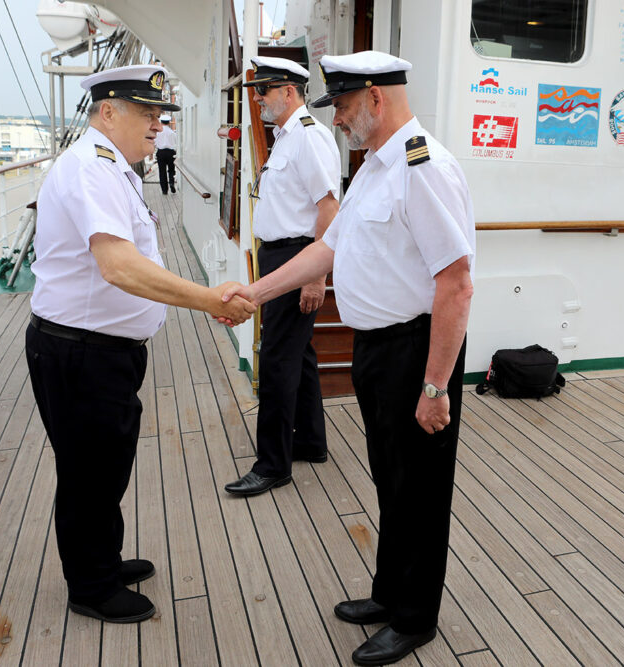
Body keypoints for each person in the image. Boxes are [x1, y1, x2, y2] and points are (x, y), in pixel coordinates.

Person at [222, 51, 475, 665]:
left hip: (416, 353)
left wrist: (435, 387)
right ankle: (390, 594)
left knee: (420, 489)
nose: (335, 118)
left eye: (341, 104)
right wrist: (254, 294)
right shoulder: (372, 170)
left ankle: (414, 619)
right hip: (377, 350)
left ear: (375, 98)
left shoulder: (424, 169)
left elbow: (457, 284)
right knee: (390, 477)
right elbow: (325, 249)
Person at [25, 64, 254, 624]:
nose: (157, 124)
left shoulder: (114, 166)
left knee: (105, 465)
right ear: (108, 112)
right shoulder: (92, 169)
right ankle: (92, 587)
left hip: (103, 351)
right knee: (89, 472)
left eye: (159, 114)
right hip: (82, 352)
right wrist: (208, 299)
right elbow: (119, 266)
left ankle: (102, 560)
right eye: (147, 113)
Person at [224, 56, 340, 497]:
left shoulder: (309, 137)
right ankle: (309, 441)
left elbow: (329, 207)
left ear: (289, 91)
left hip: (298, 257)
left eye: (263, 91)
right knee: (298, 352)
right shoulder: (287, 137)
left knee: (276, 359)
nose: (257, 100)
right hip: (280, 256)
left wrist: (315, 276)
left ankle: (272, 464)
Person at [154, 113, 177, 194]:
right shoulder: (172, 132)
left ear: (161, 122)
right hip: (171, 152)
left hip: (161, 152)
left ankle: (164, 190)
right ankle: (171, 182)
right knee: (171, 169)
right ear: (169, 122)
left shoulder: (158, 132)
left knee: (162, 171)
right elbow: (175, 143)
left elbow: (154, 143)